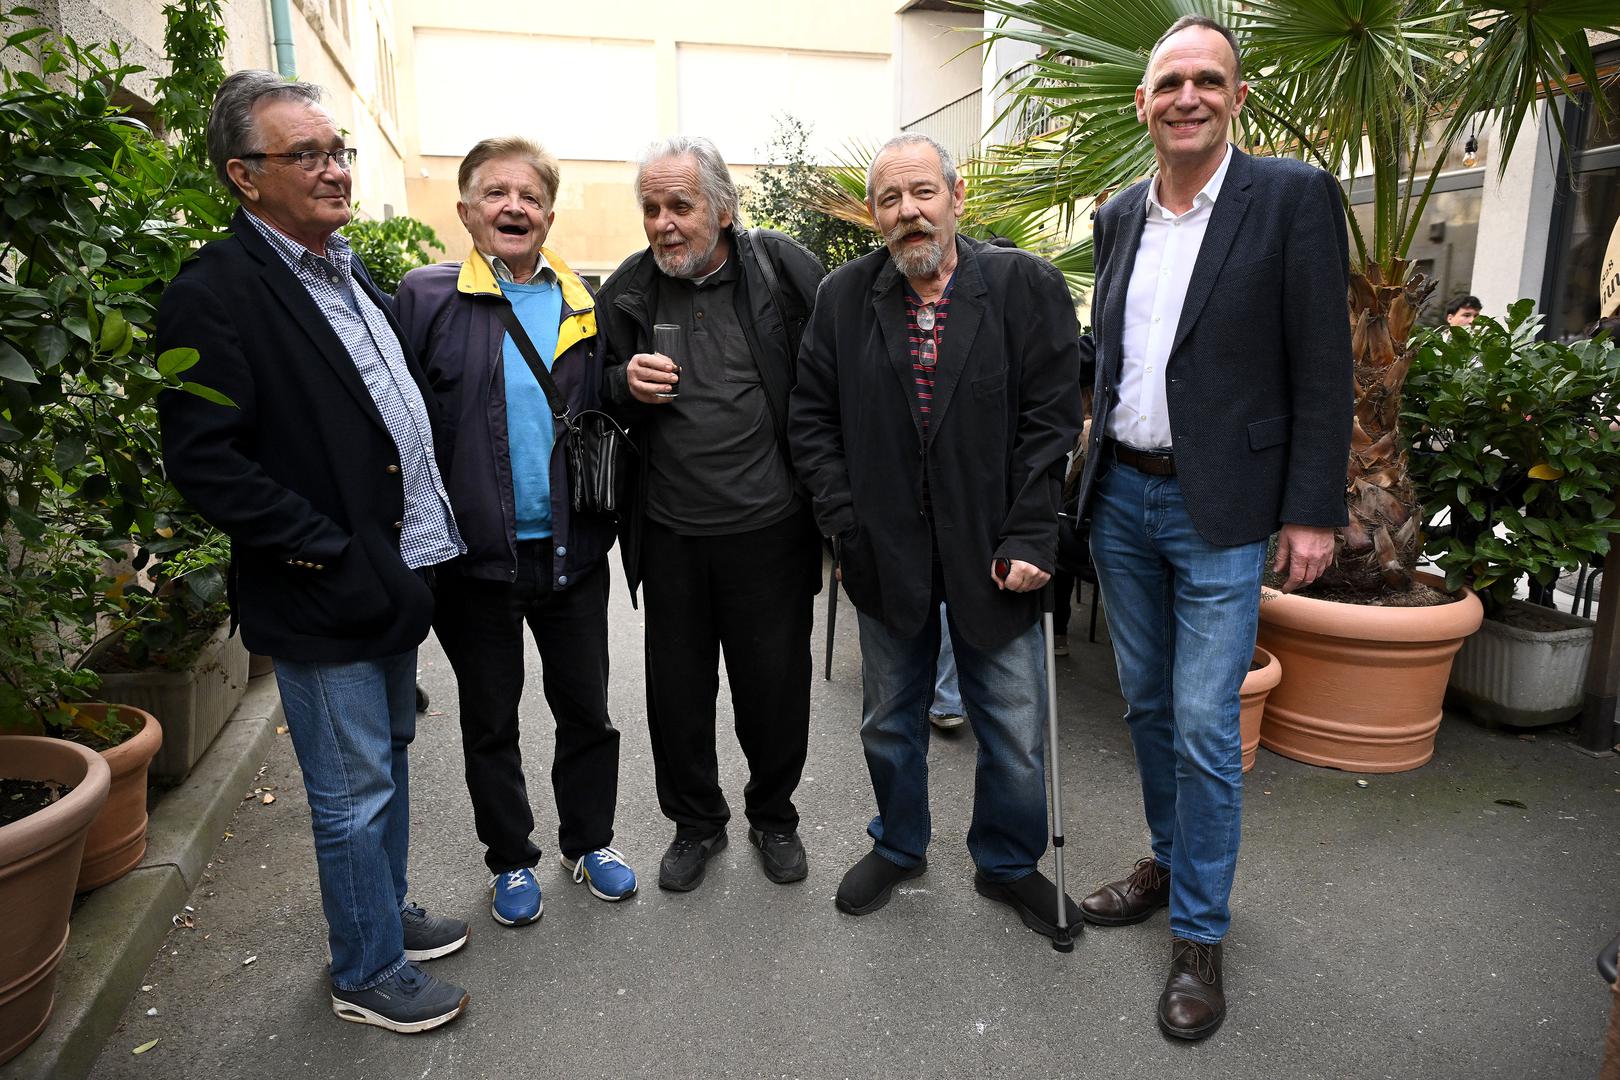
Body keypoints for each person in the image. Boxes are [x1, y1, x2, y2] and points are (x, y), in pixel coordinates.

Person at [156, 71, 471, 1033]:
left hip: (393, 572)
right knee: (353, 785)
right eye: (310, 155)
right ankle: (366, 969)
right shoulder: (215, 292)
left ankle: (386, 910)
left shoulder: (341, 266)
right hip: (326, 583)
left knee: (392, 757)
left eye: (339, 152)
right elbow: (205, 463)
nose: (335, 170)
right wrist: (326, 548)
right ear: (245, 176)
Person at [1071, 16, 1354, 1040]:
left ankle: (1199, 931)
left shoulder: (1288, 199)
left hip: (1221, 510)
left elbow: (1325, 360)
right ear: (1144, 104)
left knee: (1201, 719)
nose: (1186, 96)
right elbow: (1114, 354)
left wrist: (1313, 507)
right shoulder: (1117, 216)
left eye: (1207, 80)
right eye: (1168, 83)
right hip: (1122, 501)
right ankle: (1166, 858)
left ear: (1236, 97)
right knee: (1146, 706)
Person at [789, 133, 1084, 940]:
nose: (909, 212)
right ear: (874, 215)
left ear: (957, 197)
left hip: (997, 551)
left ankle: (1011, 861)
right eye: (890, 199)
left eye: (923, 192)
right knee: (889, 717)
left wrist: (1032, 533)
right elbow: (811, 421)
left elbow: (1051, 421)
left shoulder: (1023, 287)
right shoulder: (845, 298)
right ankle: (900, 843)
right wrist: (844, 527)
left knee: (1015, 726)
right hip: (885, 551)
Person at [393, 137, 635, 929]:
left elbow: (603, 405)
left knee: (587, 711)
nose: (513, 208)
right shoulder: (426, 300)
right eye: (494, 193)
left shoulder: (583, 302)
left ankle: (589, 842)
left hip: (571, 554)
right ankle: (511, 860)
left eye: (529, 196)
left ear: (549, 213)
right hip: (474, 562)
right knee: (489, 720)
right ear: (464, 210)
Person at [598, 136, 826, 892]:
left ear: (723, 210)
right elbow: (595, 388)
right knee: (679, 694)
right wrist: (623, 381)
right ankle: (696, 824)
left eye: (680, 206)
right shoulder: (630, 287)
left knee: (775, 686)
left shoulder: (780, 271)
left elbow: (829, 371)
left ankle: (774, 815)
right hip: (670, 532)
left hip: (770, 528)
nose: (663, 223)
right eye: (652, 208)